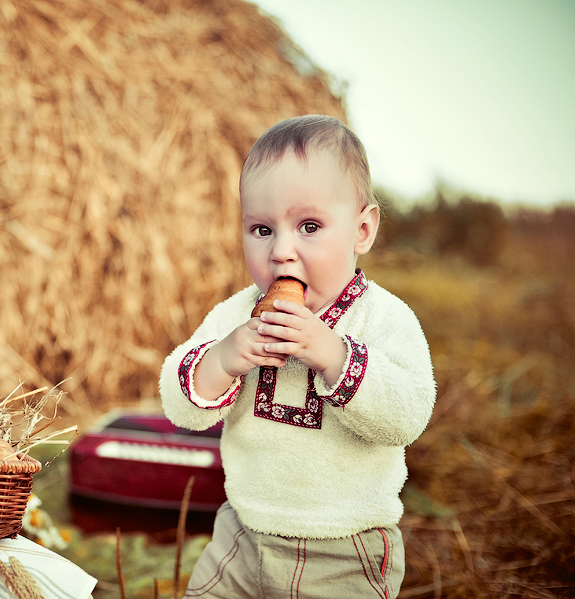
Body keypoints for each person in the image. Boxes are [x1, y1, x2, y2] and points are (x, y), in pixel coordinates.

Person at [158, 114, 436, 598]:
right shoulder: (238, 314)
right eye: (261, 229)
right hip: (242, 535)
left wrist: (336, 357)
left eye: (309, 226)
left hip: (345, 550)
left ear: (362, 230)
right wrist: (223, 359)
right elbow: (178, 404)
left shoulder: (382, 319)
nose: (282, 251)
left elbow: (408, 414)